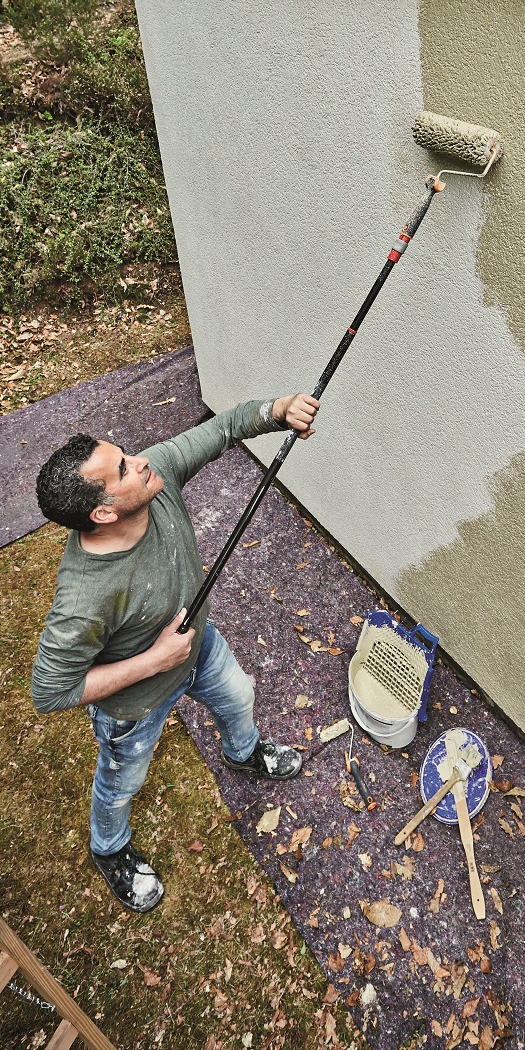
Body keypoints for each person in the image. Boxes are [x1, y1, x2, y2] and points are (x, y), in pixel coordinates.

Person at [31, 391, 319, 912]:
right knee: (122, 782)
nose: (140, 461)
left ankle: (244, 754)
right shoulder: (83, 598)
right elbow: (51, 692)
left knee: (239, 697)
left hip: (198, 648)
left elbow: (225, 428)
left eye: (127, 453)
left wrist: (278, 411)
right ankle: (109, 849)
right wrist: (152, 661)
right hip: (135, 704)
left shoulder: (154, 479)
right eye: (123, 468)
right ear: (102, 511)